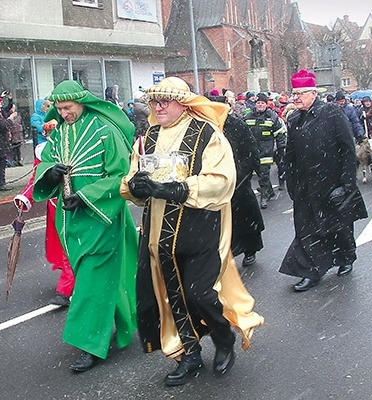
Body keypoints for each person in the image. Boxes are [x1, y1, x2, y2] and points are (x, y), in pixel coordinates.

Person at [120, 76, 264, 387]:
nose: (157, 107)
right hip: (160, 231)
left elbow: (221, 180)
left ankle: (223, 338)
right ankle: (189, 354)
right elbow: (134, 179)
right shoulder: (148, 136)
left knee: (200, 294)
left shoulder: (206, 134)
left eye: (164, 102)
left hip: (199, 227)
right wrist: (136, 187)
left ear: (182, 104)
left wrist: (176, 189)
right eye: (153, 102)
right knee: (172, 296)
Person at [32, 80, 138, 372]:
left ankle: (89, 343)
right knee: (98, 280)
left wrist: (88, 196)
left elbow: (121, 174)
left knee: (91, 282)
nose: (63, 113)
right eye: (60, 108)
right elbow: (46, 163)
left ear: (82, 102)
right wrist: (50, 173)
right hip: (69, 221)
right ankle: (126, 318)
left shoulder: (105, 131)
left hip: (101, 216)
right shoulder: (60, 134)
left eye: (68, 108)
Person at [280, 69, 368, 292]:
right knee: (306, 229)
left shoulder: (332, 113)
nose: (295, 98)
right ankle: (311, 271)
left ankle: (346, 257)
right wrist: (290, 179)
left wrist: (347, 186)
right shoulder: (294, 119)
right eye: (293, 93)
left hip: (331, 184)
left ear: (312, 93)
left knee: (339, 228)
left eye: (300, 93)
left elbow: (348, 150)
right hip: (305, 186)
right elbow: (290, 154)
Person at [14, 120, 75, 307]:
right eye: (48, 133)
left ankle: (65, 289)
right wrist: (25, 198)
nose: (51, 136)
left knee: (72, 246)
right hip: (55, 206)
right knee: (63, 245)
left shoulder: (77, 146)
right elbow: (36, 178)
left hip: (78, 204)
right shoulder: (44, 152)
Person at [206, 92, 265, 267]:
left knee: (245, 217)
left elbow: (251, 151)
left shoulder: (237, 125)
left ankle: (250, 249)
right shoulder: (206, 127)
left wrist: (243, 173)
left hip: (239, 180)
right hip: (215, 182)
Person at [244, 92, 286, 209]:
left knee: (263, 175)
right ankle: (270, 192)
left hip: (266, 151)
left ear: (266, 104)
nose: (260, 105)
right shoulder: (248, 116)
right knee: (260, 174)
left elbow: (280, 134)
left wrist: (281, 149)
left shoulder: (272, 117)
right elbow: (243, 133)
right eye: (258, 103)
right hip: (253, 152)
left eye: (262, 103)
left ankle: (264, 198)